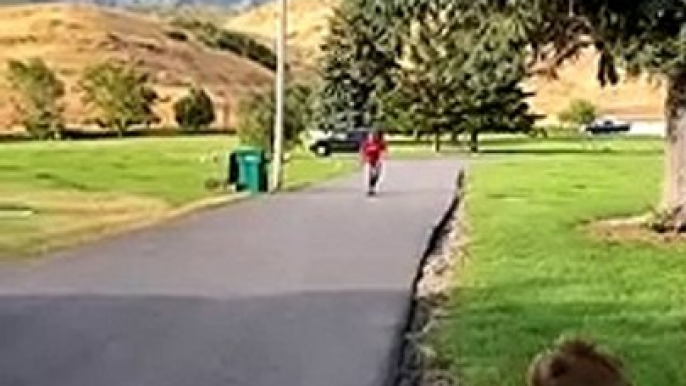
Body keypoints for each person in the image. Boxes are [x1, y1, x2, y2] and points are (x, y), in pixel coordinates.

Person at [360, 130, 387, 196]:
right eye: (370, 135)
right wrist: (363, 159)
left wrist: (380, 161)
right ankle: (369, 189)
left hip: (377, 161)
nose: (371, 137)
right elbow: (362, 151)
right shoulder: (366, 143)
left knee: (376, 175)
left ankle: (374, 187)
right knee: (369, 174)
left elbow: (383, 152)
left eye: (372, 136)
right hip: (368, 161)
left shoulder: (380, 143)